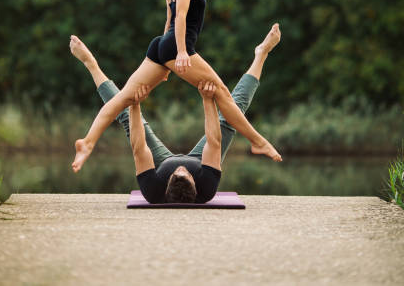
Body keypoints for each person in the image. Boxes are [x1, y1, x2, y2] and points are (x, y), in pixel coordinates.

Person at [72, 0, 282, 173]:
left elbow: (169, 20)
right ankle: (257, 142)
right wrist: (181, 53)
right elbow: (180, 17)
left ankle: (87, 142)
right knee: (222, 93)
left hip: (162, 45)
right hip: (175, 46)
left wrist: (164, 59)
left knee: (124, 99)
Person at [69, 24, 281, 203]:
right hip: (202, 159)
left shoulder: (152, 190)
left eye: (176, 173)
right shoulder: (207, 186)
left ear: (168, 181)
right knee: (232, 113)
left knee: (126, 113)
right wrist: (208, 100)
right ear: (193, 180)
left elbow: (138, 147)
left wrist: (135, 104)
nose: (180, 166)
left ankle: (91, 64)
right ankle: (261, 53)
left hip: (160, 163)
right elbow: (214, 143)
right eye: (185, 173)